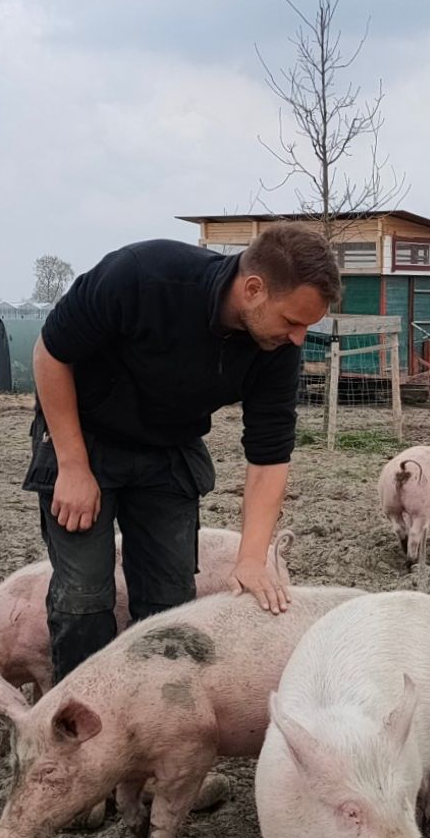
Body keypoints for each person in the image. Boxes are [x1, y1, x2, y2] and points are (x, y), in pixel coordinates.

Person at [23, 222, 339, 682]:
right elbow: (50, 354)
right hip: (83, 434)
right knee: (83, 598)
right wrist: (71, 465)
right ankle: (80, 727)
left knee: (169, 600)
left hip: (168, 447)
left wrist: (252, 558)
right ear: (253, 289)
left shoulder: (277, 349)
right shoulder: (142, 276)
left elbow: (269, 455)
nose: (297, 338)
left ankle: (154, 719)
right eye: (292, 321)